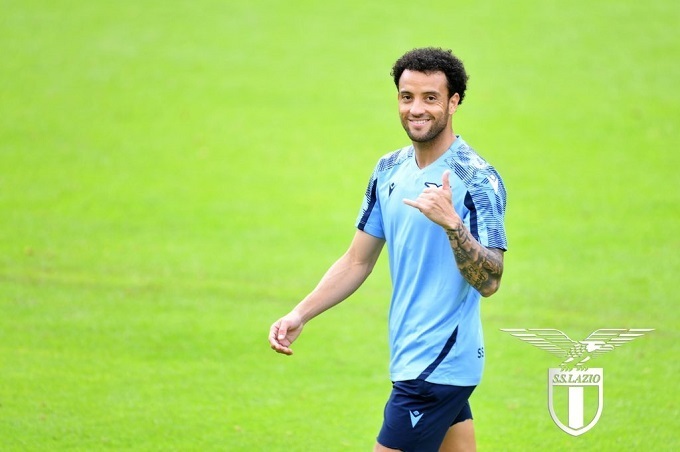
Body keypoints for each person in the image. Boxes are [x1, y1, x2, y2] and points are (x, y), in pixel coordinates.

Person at [269, 47, 507, 452]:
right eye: (407, 96)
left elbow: (490, 281)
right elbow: (356, 260)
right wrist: (300, 313)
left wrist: (453, 225)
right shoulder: (388, 170)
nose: (416, 109)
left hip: (436, 363)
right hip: (415, 356)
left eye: (430, 98)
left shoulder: (478, 179)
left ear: (454, 102)